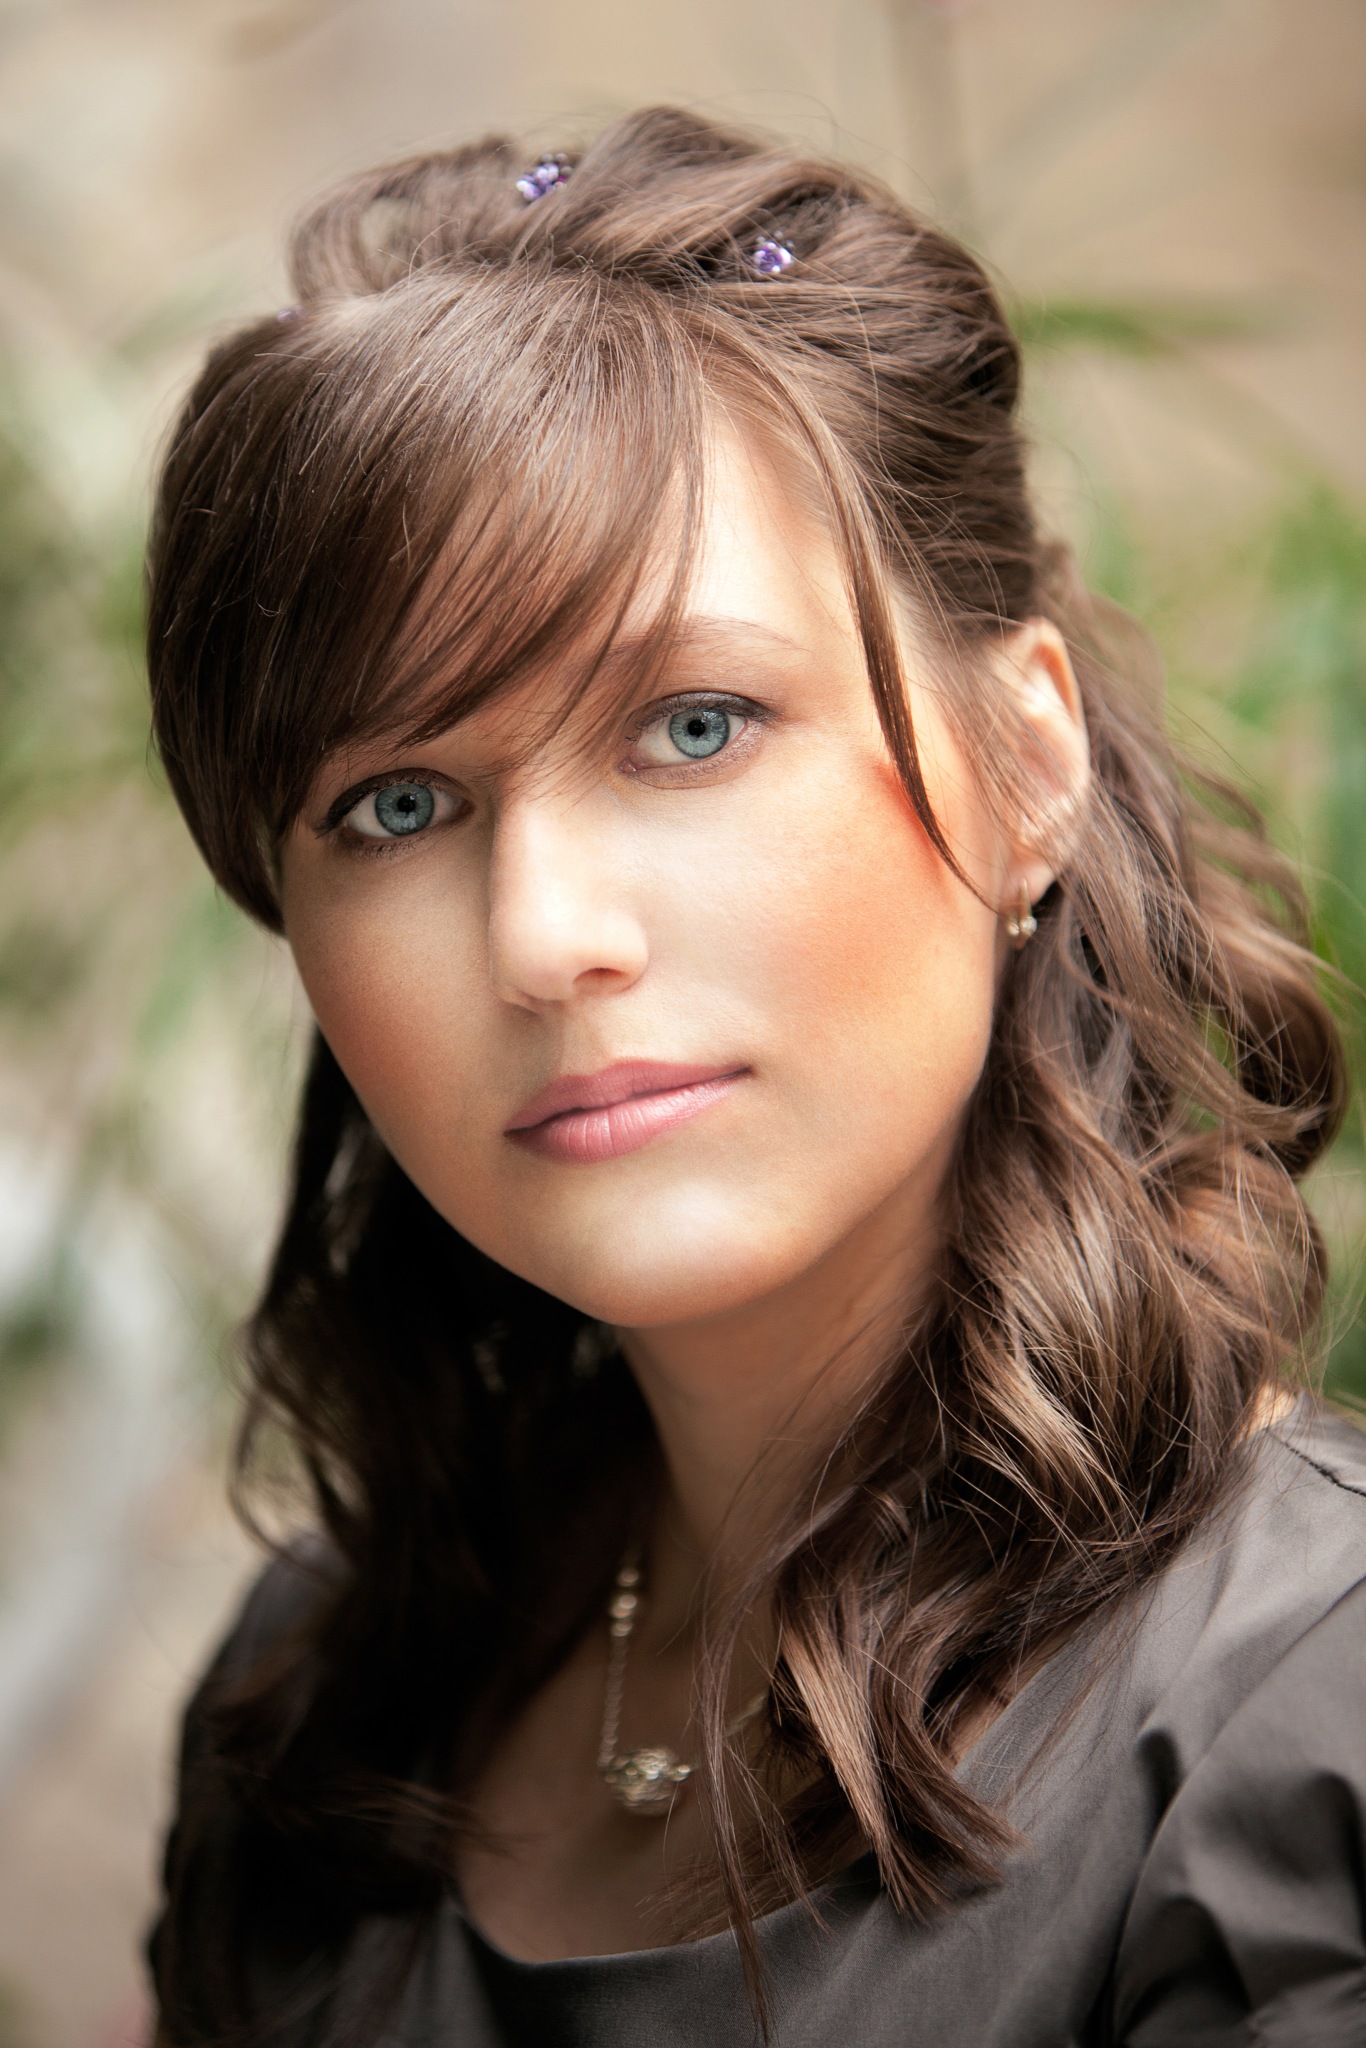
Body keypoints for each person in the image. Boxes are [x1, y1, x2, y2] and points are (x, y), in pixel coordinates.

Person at [144, 106, 1366, 2047]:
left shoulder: (1305, 1722)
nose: (543, 936)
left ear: (1025, 760)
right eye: (397, 803)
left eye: (694, 725)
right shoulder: (313, 1710)